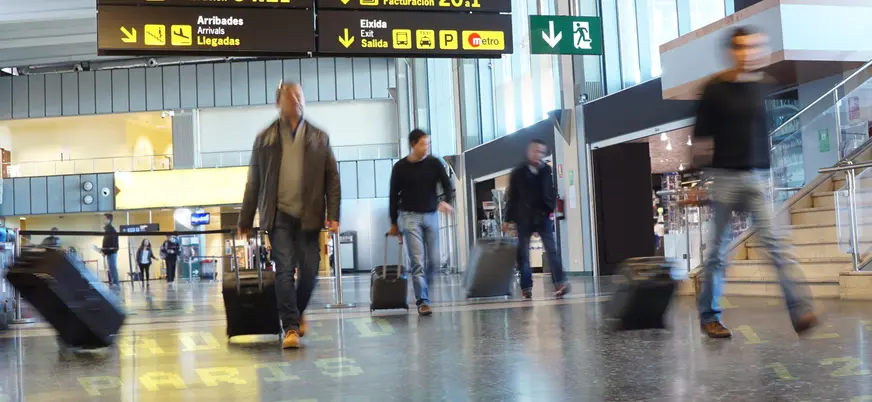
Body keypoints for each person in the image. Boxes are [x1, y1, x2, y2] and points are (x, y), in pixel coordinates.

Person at [693, 26, 818, 339]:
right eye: (744, 48)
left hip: (757, 177)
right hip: (723, 178)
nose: (751, 53)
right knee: (718, 254)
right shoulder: (715, 88)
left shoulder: (764, 84)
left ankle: (799, 311)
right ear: (734, 52)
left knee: (776, 247)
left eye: (756, 47)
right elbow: (701, 139)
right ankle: (710, 316)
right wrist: (701, 177)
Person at [238, 81, 341, 349]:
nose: (296, 99)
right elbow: (254, 181)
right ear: (278, 104)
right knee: (283, 269)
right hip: (279, 215)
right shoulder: (265, 139)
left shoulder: (319, 137)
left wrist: (334, 214)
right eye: (290, 96)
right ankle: (291, 328)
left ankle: (296, 310)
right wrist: (245, 219)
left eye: (299, 95)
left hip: (309, 215)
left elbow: (332, 178)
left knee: (309, 271)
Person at [388, 129, 454, 316]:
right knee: (417, 260)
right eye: (423, 144)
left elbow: (447, 184)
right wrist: (393, 222)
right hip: (409, 217)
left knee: (434, 260)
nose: (427, 147)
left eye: (429, 144)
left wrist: (445, 201)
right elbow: (393, 196)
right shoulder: (400, 168)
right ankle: (422, 300)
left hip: (431, 215)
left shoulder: (434, 163)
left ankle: (424, 288)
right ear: (413, 144)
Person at [503, 139, 571, 299]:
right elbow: (512, 197)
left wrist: (550, 209)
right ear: (529, 151)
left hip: (543, 217)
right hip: (524, 218)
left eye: (541, 152)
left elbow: (550, 191)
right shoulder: (518, 172)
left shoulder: (546, 170)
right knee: (523, 255)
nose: (538, 154)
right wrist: (507, 219)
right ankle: (526, 287)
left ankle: (559, 283)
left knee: (552, 250)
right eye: (536, 151)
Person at [101, 214, 119, 287]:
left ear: (109, 220)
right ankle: (113, 282)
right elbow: (106, 243)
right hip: (109, 252)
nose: (103, 220)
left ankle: (115, 283)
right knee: (111, 268)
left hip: (111, 252)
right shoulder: (108, 230)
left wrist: (104, 251)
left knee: (112, 267)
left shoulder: (111, 230)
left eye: (104, 219)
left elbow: (111, 244)